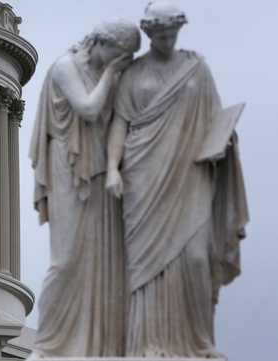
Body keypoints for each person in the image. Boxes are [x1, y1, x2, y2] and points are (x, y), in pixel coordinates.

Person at [105, 2, 249, 358]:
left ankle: (199, 343)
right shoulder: (133, 74)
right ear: (150, 34)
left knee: (196, 259)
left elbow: (216, 119)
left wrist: (226, 140)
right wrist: (111, 168)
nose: (168, 41)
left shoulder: (197, 69)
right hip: (142, 174)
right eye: (161, 35)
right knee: (143, 267)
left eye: (172, 34)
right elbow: (120, 124)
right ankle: (146, 345)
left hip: (191, 173)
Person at [28, 18, 140, 358]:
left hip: (98, 172)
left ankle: (97, 345)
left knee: (99, 261)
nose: (122, 63)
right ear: (102, 44)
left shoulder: (113, 75)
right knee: (66, 260)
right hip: (68, 168)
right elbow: (89, 110)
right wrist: (112, 74)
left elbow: (122, 118)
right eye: (121, 55)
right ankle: (49, 344)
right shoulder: (66, 66)